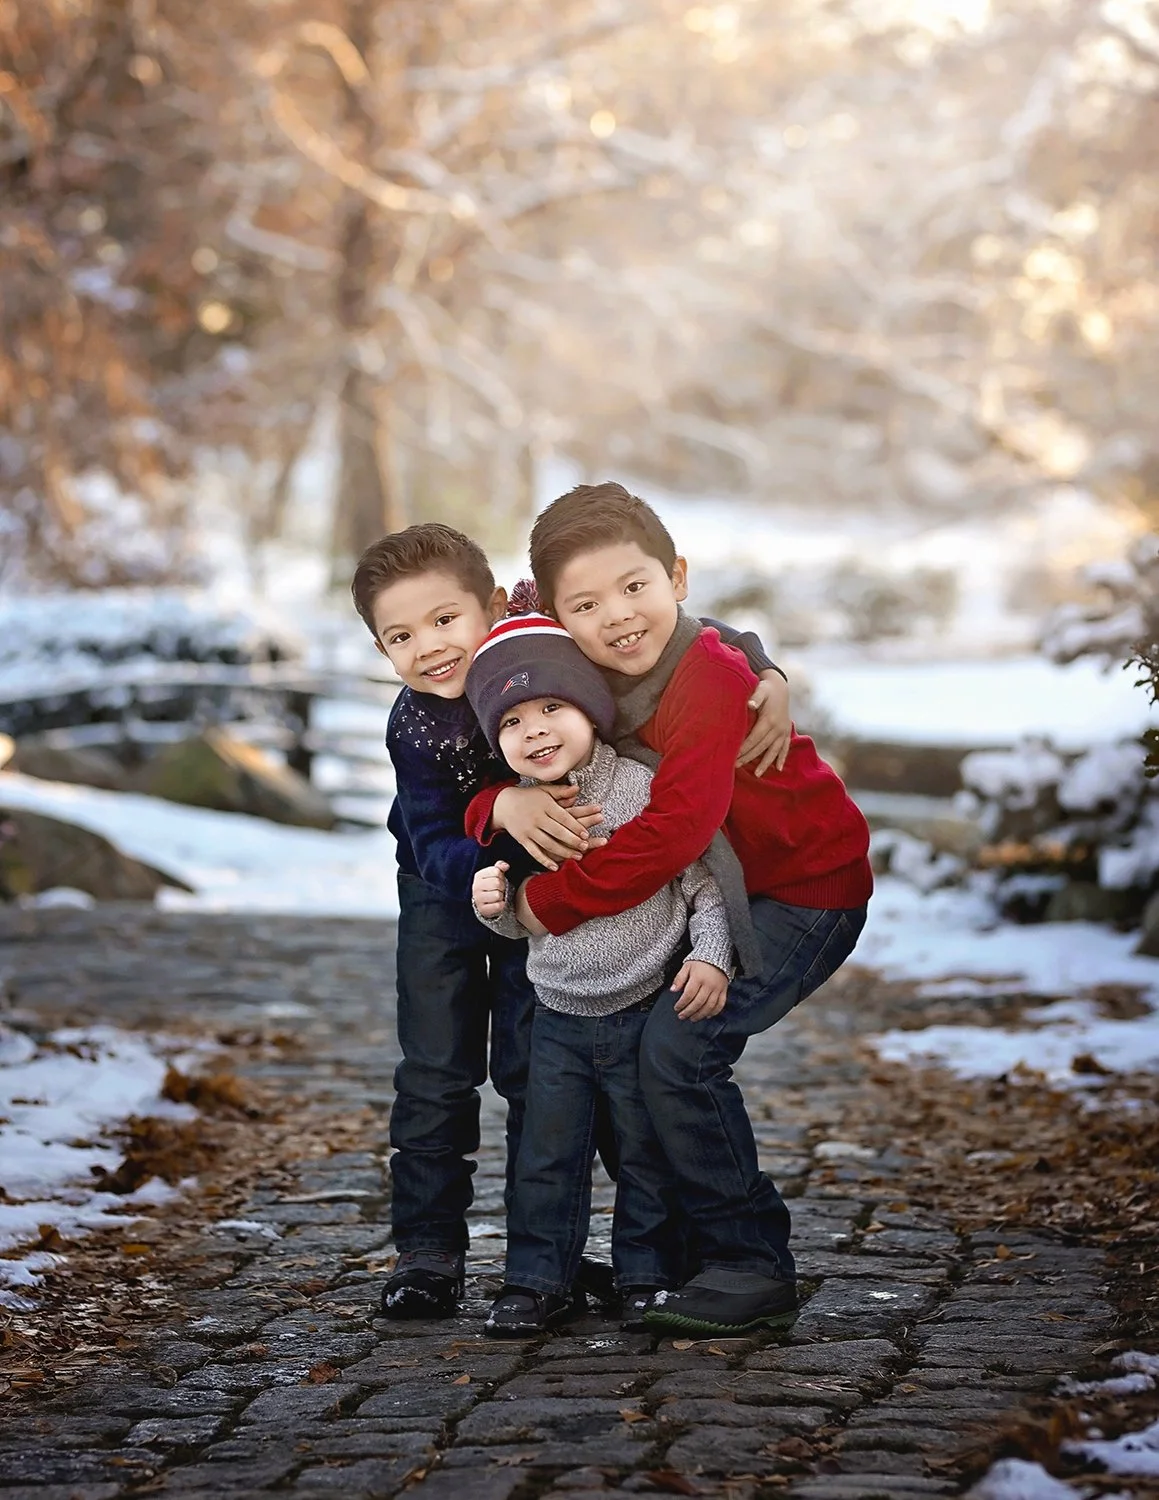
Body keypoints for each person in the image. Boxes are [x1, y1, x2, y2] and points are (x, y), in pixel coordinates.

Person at [350, 522, 790, 1320]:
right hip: (444, 886)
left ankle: (561, 1250)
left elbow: (680, 631)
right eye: (401, 637)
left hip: (555, 900)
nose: (430, 648)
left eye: (446, 621)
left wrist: (765, 666)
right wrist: (498, 831)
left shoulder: (548, 638)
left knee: (538, 1067)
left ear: (494, 603)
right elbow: (428, 830)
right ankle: (426, 1251)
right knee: (437, 1068)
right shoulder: (413, 723)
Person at [467, 483, 873, 1334]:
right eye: (586, 603)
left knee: (678, 1052)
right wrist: (493, 812)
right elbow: (503, 765)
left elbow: (676, 826)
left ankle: (751, 1262)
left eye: (634, 587)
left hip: (804, 886)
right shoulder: (580, 680)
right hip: (716, 891)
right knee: (640, 1056)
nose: (617, 615)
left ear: (676, 576)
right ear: (554, 615)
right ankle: (673, 1255)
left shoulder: (711, 678)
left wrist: (551, 904)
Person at [467, 609, 734, 1336]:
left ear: (590, 708)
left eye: (552, 706)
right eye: (514, 721)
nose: (537, 730)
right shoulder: (519, 809)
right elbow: (510, 910)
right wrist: (490, 900)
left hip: (643, 1007)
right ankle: (535, 1280)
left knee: (645, 1155)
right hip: (555, 1015)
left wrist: (711, 953)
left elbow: (701, 884)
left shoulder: (639, 789)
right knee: (546, 1155)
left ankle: (645, 1275)